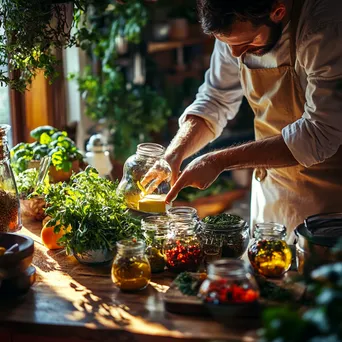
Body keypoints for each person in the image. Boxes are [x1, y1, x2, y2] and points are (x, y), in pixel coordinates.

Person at [141, 0, 342, 233]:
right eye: (228, 44)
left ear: (277, 11)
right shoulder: (234, 30)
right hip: (270, 195)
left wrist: (218, 161)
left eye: (247, 42)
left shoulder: (325, 26)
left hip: (328, 210)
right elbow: (216, 99)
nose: (235, 53)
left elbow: (320, 132)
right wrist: (173, 155)